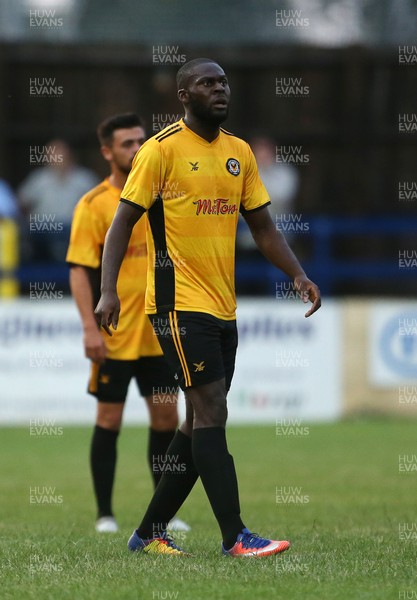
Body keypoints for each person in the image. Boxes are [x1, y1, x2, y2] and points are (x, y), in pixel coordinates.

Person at [95, 59, 321, 557]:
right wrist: (108, 291)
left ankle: (148, 532)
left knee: (198, 421)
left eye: (223, 83)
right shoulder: (159, 151)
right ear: (183, 94)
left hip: (222, 307)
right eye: (207, 83)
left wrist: (298, 275)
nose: (219, 90)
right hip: (177, 305)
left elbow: (263, 229)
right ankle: (235, 536)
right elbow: (121, 225)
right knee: (212, 410)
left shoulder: (239, 153)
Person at [66, 113, 189, 533]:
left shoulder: (162, 196)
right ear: (107, 152)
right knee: (109, 421)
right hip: (114, 338)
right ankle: (105, 514)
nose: (137, 149)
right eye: (127, 144)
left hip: (158, 335)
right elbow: (79, 270)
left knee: (165, 420)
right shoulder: (93, 205)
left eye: (141, 141)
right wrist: (88, 327)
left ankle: (164, 515)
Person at [19, 139, 99, 261]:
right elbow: (22, 204)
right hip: (43, 230)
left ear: (69, 155)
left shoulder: (84, 178)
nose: (55, 157)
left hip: (74, 229)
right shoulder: (38, 178)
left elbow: (98, 206)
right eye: (51, 154)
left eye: (59, 153)